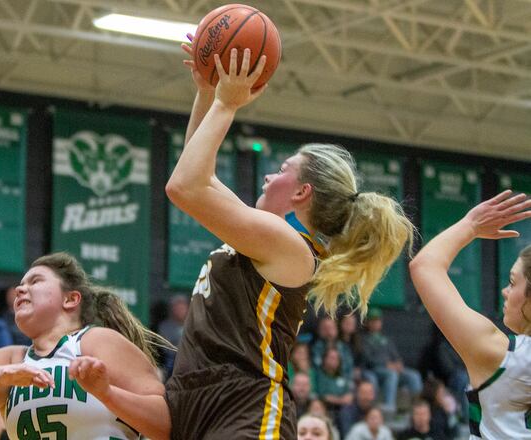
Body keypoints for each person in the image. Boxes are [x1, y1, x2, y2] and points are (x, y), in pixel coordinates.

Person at [161, 44, 414, 439]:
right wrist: (207, 93)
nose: (267, 176)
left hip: (245, 405)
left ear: (302, 192)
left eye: (281, 170)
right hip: (202, 398)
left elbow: (184, 187)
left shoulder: (290, 245)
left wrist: (226, 106)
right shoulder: (268, 235)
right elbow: (199, 176)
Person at [0, 252, 171, 440]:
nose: (20, 289)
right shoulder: (11, 359)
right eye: (20, 285)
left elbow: (167, 425)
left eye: (36, 281)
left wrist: (106, 393)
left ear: (70, 299)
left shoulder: (96, 341)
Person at [409, 190, 531, 440]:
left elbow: (425, 266)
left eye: (512, 282)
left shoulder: (499, 353)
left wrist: (471, 225)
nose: (504, 291)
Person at [361, 308, 423, 413]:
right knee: (392, 374)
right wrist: (386, 364)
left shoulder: (387, 339)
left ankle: (417, 406)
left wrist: (398, 363)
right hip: (375, 370)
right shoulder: (364, 339)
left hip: (392, 369)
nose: (376, 323)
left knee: (414, 376)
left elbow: (396, 356)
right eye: (373, 320)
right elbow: (368, 359)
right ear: (368, 322)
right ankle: (389, 406)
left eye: (378, 320)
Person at [157, 295, 189, 377]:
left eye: (182, 308)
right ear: (172, 309)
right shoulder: (164, 326)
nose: (180, 311)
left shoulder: (193, 325)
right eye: (177, 308)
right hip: (171, 362)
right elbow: (165, 347)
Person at [315, 348, 354, 415]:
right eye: (331, 357)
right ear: (324, 359)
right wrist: (341, 400)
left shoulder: (342, 375)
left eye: (337, 358)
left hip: (342, 409)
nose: (334, 360)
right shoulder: (319, 375)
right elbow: (323, 396)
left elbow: (349, 394)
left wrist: (348, 397)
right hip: (326, 407)